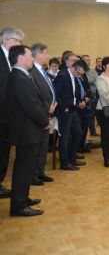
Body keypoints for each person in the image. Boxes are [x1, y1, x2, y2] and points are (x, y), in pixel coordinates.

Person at [7, 45, 49, 216]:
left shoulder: (22, 75)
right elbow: (30, 105)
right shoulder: (18, 77)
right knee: (23, 169)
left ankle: (23, 198)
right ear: (21, 58)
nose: (33, 59)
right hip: (27, 131)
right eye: (30, 56)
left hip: (29, 130)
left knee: (26, 168)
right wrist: (45, 121)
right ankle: (18, 205)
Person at [0, 27, 24, 199]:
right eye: (16, 41)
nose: (18, 44)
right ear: (4, 40)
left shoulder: (9, 58)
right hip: (2, 115)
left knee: (4, 152)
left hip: (8, 116)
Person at [53, 55, 88, 171]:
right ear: (75, 67)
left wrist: (79, 102)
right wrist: (64, 108)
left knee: (78, 133)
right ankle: (64, 162)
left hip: (72, 109)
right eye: (79, 73)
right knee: (65, 137)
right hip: (65, 111)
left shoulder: (73, 76)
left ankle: (72, 158)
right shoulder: (62, 76)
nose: (80, 75)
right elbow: (55, 94)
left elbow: (73, 95)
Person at [29, 43, 56, 186]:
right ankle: (33, 174)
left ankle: (40, 172)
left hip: (48, 113)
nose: (47, 56)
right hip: (40, 114)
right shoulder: (32, 72)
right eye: (45, 53)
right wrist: (48, 107)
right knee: (37, 147)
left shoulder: (42, 70)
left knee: (44, 145)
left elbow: (48, 90)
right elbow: (34, 96)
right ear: (38, 54)